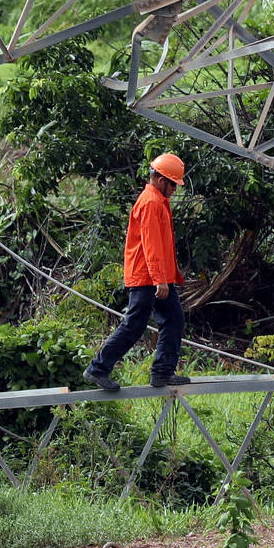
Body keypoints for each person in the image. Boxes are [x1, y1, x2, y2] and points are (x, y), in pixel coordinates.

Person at [83, 152, 191, 392]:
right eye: (173, 184)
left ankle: (162, 372)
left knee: (173, 319)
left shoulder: (158, 201)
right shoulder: (151, 202)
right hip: (148, 278)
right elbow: (151, 245)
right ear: (162, 180)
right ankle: (98, 368)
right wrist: (160, 280)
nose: (175, 190)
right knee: (135, 324)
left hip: (155, 277)